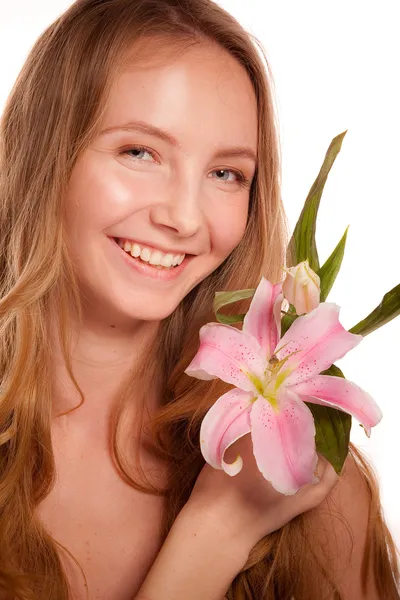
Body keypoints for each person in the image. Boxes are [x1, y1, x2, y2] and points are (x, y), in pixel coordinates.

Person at [0, 0, 399, 598]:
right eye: (140, 152)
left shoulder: (303, 476)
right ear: (43, 156)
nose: (185, 218)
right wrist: (216, 533)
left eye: (226, 174)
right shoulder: (249, 498)